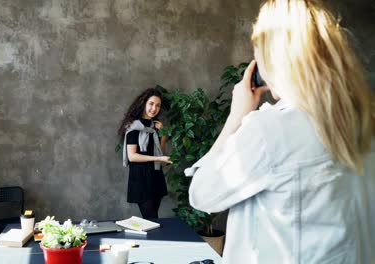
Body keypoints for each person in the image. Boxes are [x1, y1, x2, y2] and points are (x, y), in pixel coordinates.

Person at [186, 1, 375, 263]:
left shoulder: (271, 131)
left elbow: (201, 194)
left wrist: (236, 117)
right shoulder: (367, 120)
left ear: (273, 61)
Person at [118, 88, 173, 219]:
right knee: (151, 219)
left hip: (155, 176)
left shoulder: (155, 126)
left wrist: (163, 134)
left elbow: (161, 151)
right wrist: (158, 158)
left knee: (153, 219)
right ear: (143, 103)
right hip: (141, 178)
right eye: (151, 104)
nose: (154, 108)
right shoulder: (133, 127)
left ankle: (153, 240)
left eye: (158, 105)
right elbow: (132, 156)